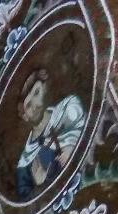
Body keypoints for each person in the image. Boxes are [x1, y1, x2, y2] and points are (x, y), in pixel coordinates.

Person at [14, 69, 86, 200]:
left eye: (36, 93)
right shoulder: (26, 163)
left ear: (45, 89)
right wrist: (42, 184)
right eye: (28, 105)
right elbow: (28, 203)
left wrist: (72, 148)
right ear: (24, 116)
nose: (35, 105)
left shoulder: (68, 110)